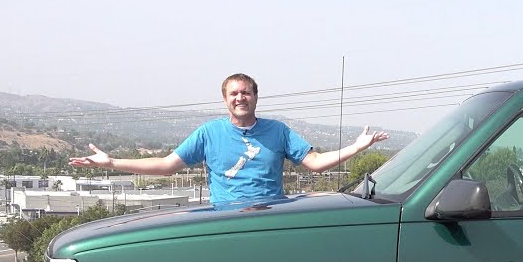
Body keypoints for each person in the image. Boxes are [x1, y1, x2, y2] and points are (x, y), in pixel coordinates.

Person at [68, 73, 389, 205]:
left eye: (246, 92)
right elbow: (167, 166)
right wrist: (111, 162)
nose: (240, 98)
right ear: (225, 99)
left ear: (255, 97)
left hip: (272, 221)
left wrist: (357, 147)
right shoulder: (209, 133)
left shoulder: (277, 131)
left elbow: (316, 164)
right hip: (225, 224)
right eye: (234, 94)